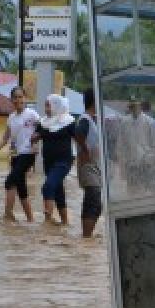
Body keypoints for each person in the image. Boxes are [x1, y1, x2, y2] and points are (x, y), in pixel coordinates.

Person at [0, 86, 39, 222]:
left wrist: (36, 143)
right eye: (15, 97)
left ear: (25, 98)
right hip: (15, 155)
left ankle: (8, 215)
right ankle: (31, 219)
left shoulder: (32, 114)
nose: (18, 100)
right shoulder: (11, 118)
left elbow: (43, 130)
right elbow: (4, 139)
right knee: (21, 188)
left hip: (28, 154)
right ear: (11, 99)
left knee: (9, 181)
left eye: (20, 97)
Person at [34, 94, 75, 225]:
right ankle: (65, 222)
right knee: (58, 191)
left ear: (56, 105)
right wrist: (35, 138)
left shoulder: (68, 121)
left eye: (48, 105)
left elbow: (80, 139)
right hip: (48, 162)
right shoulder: (43, 122)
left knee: (48, 186)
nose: (46, 108)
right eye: (45, 105)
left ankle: (47, 222)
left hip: (63, 161)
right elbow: (35, 135)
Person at [73, 88, 102, 238]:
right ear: (95, 101)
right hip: (87, 166)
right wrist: (84, 150)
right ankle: (86, 236)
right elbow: (77, 133)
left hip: (95, 166)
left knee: (97, 203)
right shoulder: (85, 119)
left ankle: (87, 237)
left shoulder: (93, 119)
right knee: (93, 199)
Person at [119, 98, 155, 188]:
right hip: (130, 163)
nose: (134, 108)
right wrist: (122, 162)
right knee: (132, 190)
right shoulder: (124, 123)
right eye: (132, 106)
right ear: (130, 108)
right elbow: (121, 144)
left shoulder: (150, 122)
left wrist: (149, 161)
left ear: (141, 107)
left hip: (145, 163)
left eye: (136, 106)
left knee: (145, 190)